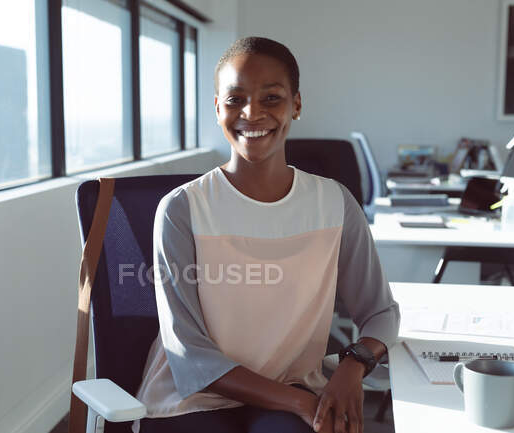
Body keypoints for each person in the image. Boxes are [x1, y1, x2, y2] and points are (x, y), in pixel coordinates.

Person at [132, 36, 399, 433]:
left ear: (297, 104)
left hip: (289, 388)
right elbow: (189, 354)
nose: (252, 113)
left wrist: (353, 365)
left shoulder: (335, 203)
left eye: (271, 98)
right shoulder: (183, 208)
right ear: (217, 108)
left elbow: (381, 313)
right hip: (191, 398)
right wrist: (303, 403)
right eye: (235, 98)